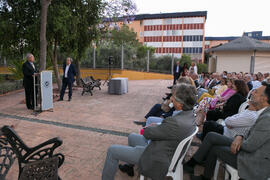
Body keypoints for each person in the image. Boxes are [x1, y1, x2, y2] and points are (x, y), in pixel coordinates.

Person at [101, 83, 197, 180]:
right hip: (165, 148)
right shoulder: (189, 115)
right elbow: (167, 130)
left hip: (156, 156)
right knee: (132, 136)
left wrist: (152, 127)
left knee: (112, 151)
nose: (171, 98)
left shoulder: (175, 122)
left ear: (180, 104)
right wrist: (159, 126)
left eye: (174, 97)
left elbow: (147, 133)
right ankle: (129, 166)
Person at [184, 81, 270, 180]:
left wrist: (239, 138)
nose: (252, 92)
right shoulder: (263, 113)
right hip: (247, 149)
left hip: (252, 161)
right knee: (214, 144)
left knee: (213, 140)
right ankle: (203, 174)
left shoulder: (266, 118)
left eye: (256, 92)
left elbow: (250, 146)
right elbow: (252, 134)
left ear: (264, 98)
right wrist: (240, 136)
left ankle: (195, 166)